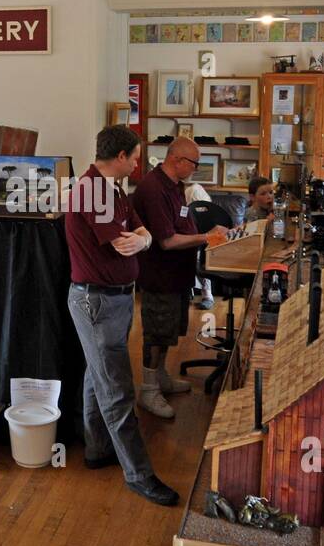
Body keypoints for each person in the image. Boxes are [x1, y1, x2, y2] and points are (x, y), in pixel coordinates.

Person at [65, 125, 178, 507]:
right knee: (117, 390)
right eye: (134, 157)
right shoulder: (95, 191)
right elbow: (124, 243)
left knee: (96, 377)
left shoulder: (110, 188)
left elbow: (141, 235)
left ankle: (97, 449)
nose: (137, 164)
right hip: (97, 301)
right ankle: (139, 475)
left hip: (111, 299)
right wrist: (140, 240)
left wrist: (143, 239)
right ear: (119, 157)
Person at [130, 137, 217, 419]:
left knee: (168, 330)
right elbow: (165, 241)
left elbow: (182, 223)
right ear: (177, 160)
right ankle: (148, 389)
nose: (196, 168)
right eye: (194, 163)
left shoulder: (176, 186)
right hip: (160, 275)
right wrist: (207, 237)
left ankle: (161, 377)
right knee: (156, 333)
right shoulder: (153, 188)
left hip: (178, 274)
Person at [184, 181, 215, 310]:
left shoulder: (194, 191)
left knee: (199, 256)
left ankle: (207, 294)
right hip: (187, 237)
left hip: (205, 240)